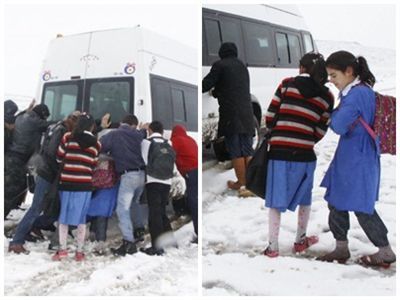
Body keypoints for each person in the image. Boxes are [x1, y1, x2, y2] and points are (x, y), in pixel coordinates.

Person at [317, 51, 396, 267]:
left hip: (357, 158)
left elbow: (340, 125)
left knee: (361, 205)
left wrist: (331, 116)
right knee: (336, 201)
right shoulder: (357, 91)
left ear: (349, 72)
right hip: (353, 156)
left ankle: (385, 251)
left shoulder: (357, 94)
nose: (331, 81)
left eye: (334, 76)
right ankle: (341, 247)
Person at [262, 53, 334, 258]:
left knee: (276, 199)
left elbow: (270, 117)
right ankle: (300, 240)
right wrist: (306, 139)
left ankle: (273, 247)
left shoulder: (287, 84)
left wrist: (280, 132)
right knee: (304, 197)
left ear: (302, 68)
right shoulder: (327, 96)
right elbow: (322, 129)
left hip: (279, 151)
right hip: (305, 154)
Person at [8, 111, 80, 254]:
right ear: (73, 120)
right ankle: (16, 241)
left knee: (54, 208)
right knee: (37, 207)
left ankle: (33, 226)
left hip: (50, 174)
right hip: (48, 174)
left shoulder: (57, 127)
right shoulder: (61, 130)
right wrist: (60, 168)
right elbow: (52, 154)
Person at [202, 42, 255, 197]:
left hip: (231, 113)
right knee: (247, 148)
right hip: (247, 112)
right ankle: (251, 182)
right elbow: (235, 86)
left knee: (235, 148)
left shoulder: (220, 65)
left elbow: (206, 84)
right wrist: (219, 90)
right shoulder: (242, 66)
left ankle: (242, 183)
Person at [52, 113, 101, 261]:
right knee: (81, 219)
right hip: (84, 185)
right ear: (92, 126)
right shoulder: (97, 144)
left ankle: (62, 250)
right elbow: (94, 164)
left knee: (64, 218)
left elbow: (59, 157)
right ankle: (79, 252)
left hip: (67, 182)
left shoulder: (68, 137)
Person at [100, 114, 147, 256]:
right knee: (135, 202)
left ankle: (128, 242)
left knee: (122, 209)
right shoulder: (138, 134)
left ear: (122, 122)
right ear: (134, 125)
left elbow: (100, 146)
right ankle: (139, 230)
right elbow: (143, 132)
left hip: (128, 176)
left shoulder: (115, 134)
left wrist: (103, 129)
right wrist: (143, 129)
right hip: (141, 175)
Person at [4, 103, 50, 218]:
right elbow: (48, 125)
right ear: (42, 114)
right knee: (11, 189)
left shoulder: (21, 117)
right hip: (17, 159)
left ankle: (10, 212)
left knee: (14, 186)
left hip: (11, 157)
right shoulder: (33, 120)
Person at [140, 121, 176, 255]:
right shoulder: (169, 143)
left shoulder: (147, 142)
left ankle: (157, 246)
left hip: (152, 180)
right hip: (167, 181)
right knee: (161, 211)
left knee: (154, 214)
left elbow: (145, 161)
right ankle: (170, 240)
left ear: (149, 129)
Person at [171, 125, 198, 241]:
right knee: (193, 197)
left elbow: (170, 155)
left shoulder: (175, 140)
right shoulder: (191, 139)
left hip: (190, 171)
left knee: (193, 201)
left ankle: (198, 232)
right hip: (196, 170)